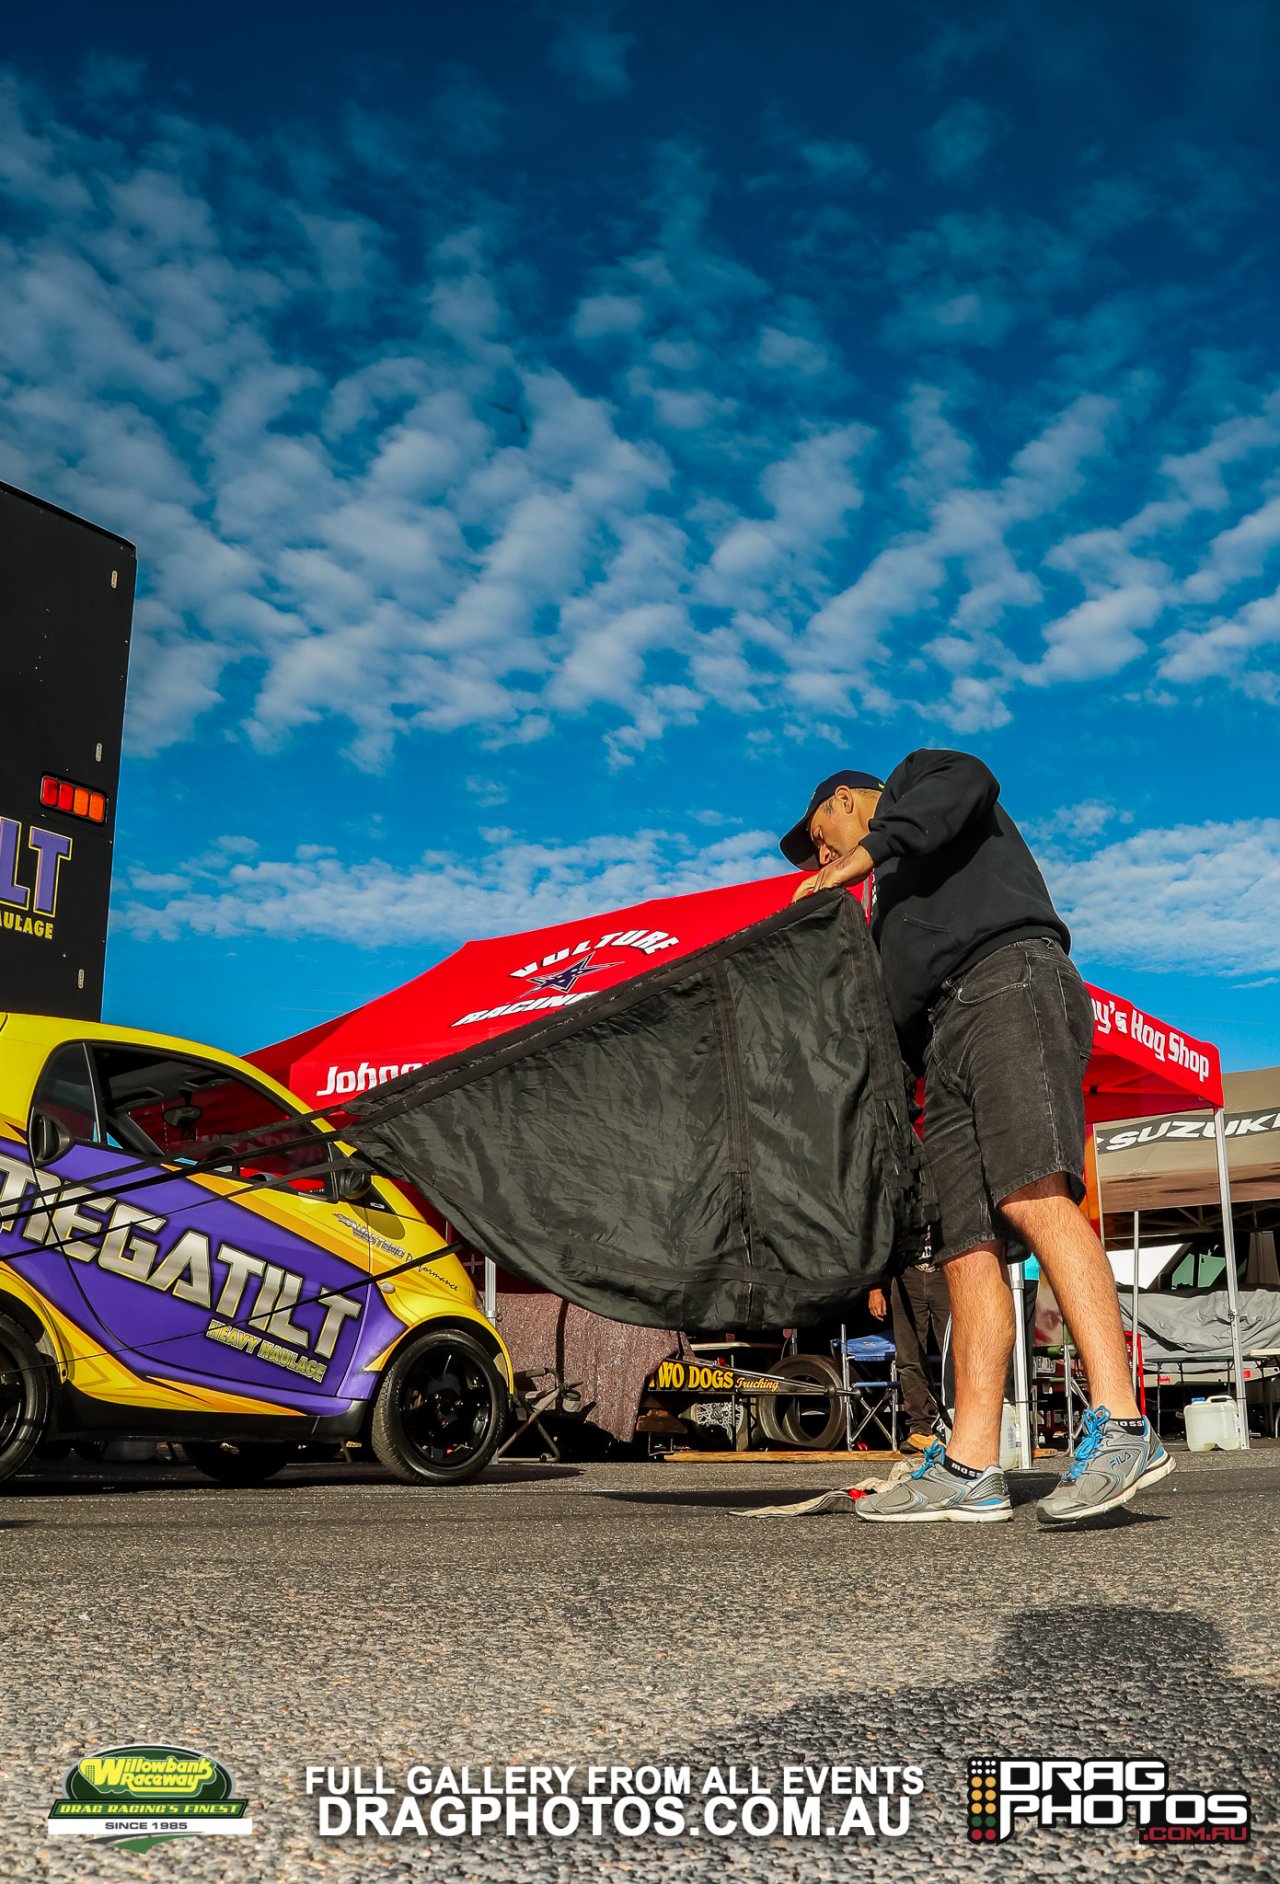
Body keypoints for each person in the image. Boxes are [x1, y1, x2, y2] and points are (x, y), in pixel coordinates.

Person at [780, 753, 1172, 1524]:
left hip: (1009, 980)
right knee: (963, 1247)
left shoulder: (926, 781)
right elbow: (883, 1023)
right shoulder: (884, 909)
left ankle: (1124, 1424)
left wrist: (853, 862)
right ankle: (972, 1463)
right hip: (940, 1040)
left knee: (1034, 1193)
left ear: (853, 800)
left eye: (820, 834)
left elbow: (967, 783)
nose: (819, 856)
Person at [868, 1258, 950, 1455]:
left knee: (955, 1355)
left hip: (945, 1272)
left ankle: (958, 1425)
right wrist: (875, 1289)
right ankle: (919, 1429)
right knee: (909, 1356)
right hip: (908, 1275)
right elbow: (882, 1239)